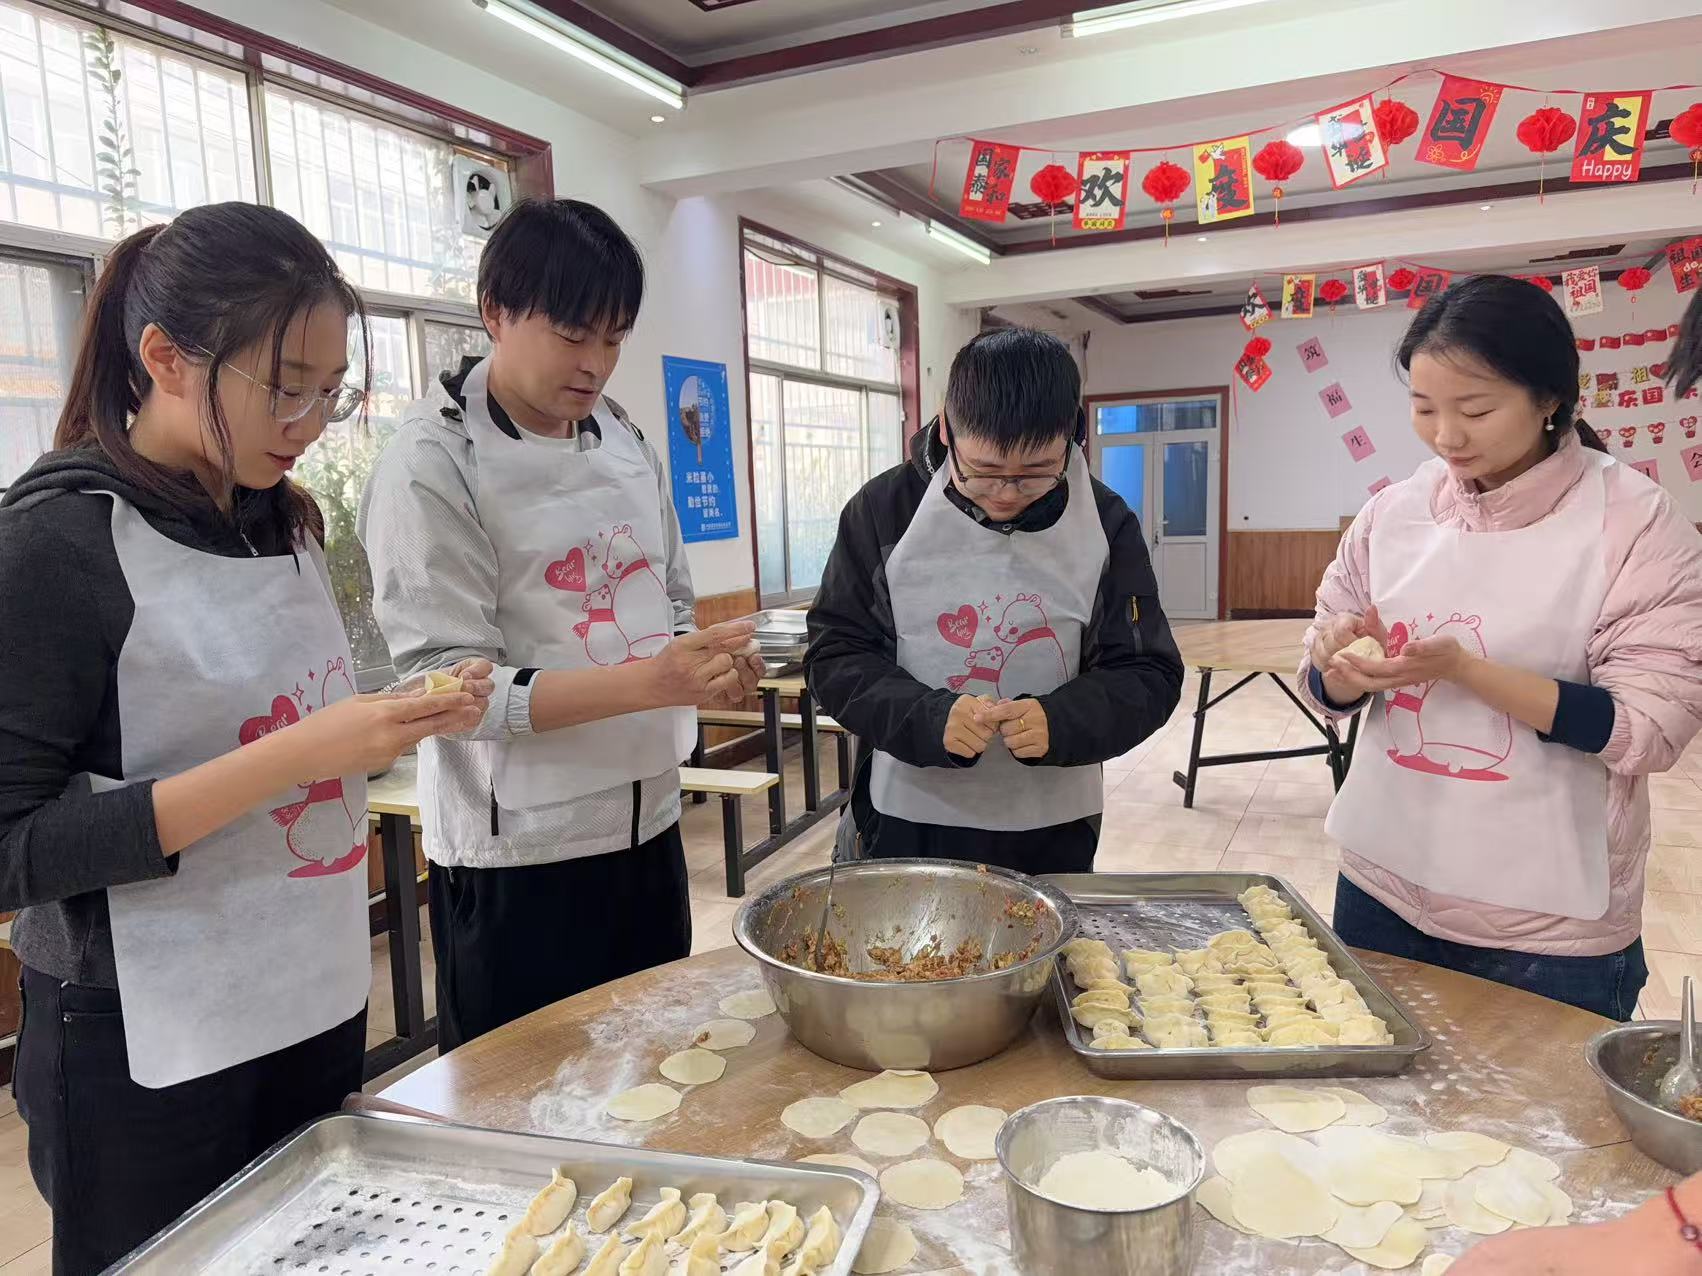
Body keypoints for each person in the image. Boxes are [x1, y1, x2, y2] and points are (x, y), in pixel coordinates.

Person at [0, 204, 490, 1275]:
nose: (313, 416)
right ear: (165, 359)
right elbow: (15, 846)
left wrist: (399, 709)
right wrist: (304, 754)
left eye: (333, 386)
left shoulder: (283, 519)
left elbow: (275, 702)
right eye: (286, 384)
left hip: (302, 990)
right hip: (138, 1042)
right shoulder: (55, 546)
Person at [360, 198, 762, 1052]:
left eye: (614, 338)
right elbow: (450, 693)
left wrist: (710, 661)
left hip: (648, 823)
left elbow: (674, 602)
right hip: (519, 862)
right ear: (495, 311)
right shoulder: (434, 460)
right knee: (521, 1096)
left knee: (656, 1071)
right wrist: (653, 681)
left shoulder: (623, 435)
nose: (596, 364)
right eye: (574, 334)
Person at [1302, 273, 1702, 1020]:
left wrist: (1467, 672)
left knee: (1542, 1136)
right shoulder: (1396, 511)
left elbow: (1649, 729)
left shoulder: (1635, 524)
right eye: (1424, 409)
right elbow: (1321, 682)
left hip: (1548, 934)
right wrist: (1342, 666)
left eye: (1476, 409)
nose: (1447, 436)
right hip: (1383, 889)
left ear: (1551, 400)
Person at [805, 327, 1184, 874]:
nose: (1006, 494)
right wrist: (927, 717)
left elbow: (1149, 672)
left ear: (1073, 436)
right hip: (908, 817)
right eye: (982, 474)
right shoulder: (882, 511)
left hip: (1053, 824)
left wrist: (1062, 720)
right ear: (946, 426)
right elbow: (835, 656)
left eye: (1034, 476)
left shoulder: (1105, 522)